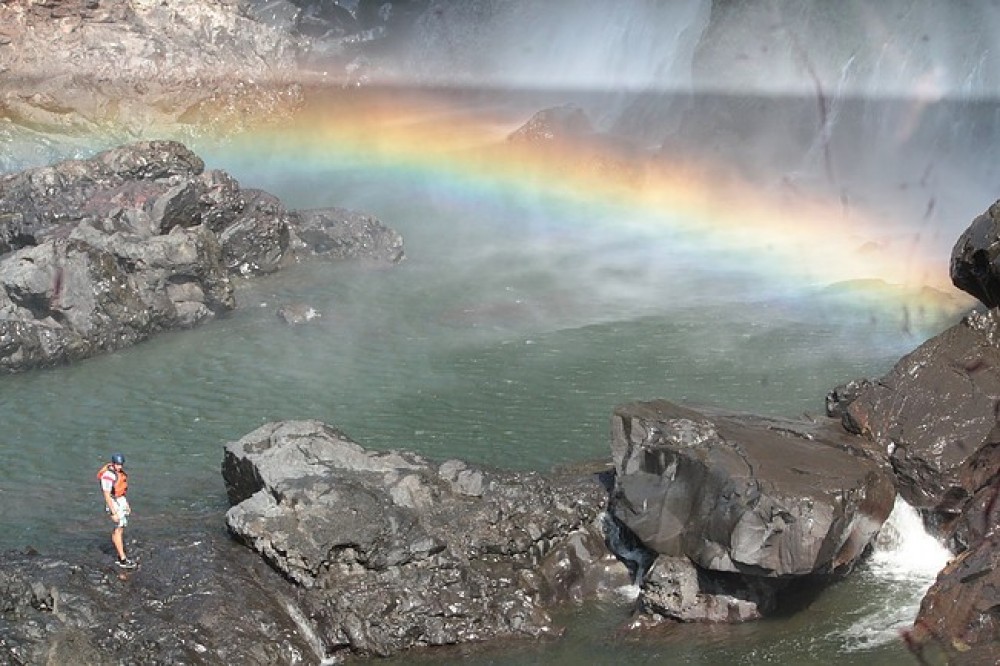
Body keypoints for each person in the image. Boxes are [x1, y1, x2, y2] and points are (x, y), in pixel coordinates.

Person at [97, 452, 136, 568]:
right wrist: (113, 511)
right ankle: (122, 559)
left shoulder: (118, 473)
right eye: (118, 465)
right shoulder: (108, 476)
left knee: (121, 526)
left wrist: (126, 504)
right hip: (113, 502)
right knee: (119, 527)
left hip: (120, 499)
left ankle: (120, 551)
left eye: (121, 465)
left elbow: (121, 489)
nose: (120, 467)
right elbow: (107, 495)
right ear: (113, 464)